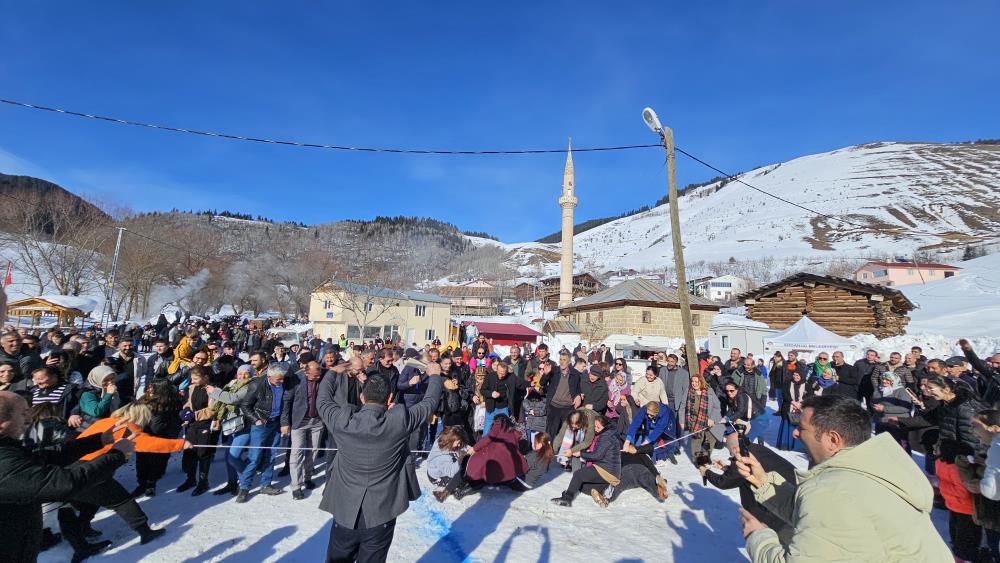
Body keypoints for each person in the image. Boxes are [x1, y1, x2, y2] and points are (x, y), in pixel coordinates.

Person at [737, 394, 952, 562]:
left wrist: (760, 538)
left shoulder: (833, 492)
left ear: (832, 439)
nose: (796, 434)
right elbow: (821, 518)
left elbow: (828, 508)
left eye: (802, 429)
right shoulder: (876, 467)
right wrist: (764, 483)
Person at [316, 359, 442, 563]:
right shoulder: (399, 422)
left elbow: (322, 400)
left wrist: (332, 372)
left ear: (362, 397)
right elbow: (428, 404)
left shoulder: (342, 421)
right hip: (381, 512)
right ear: (390, 397)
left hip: (345, 509)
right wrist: (435, 377)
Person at [0, 390, 136, 563]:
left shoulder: (9, 447)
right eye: (23, 413)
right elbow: (64, 483)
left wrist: (99, 440)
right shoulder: (4, 464)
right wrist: (117, 455)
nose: (29, 418)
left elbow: (49, 456)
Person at [888, 375, 985, 561]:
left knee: (966, 508)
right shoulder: (946, 404)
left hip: (964, 463)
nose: (927, 391)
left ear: (947, 388)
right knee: (954, 504)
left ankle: (966, 551)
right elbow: (929, 419)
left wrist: (967, 458)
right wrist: (902, 422)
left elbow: (975, 438)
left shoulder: (965, 407)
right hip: (950, 459)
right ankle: (958, 548)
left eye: (931, 388)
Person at [701, 428, 797, 545]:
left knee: (781, 544)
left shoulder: (743, 457)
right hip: (790, 496)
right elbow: (743, 474)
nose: (730, 453)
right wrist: (726, 468)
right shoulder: (755, 449)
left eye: (730, 450)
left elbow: (723, 482)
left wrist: (706, 472)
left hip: (776, 511)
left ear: (736, 448)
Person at [235, 363, 290, 502]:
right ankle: (244, 487)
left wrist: (283, 423)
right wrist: (256, 420)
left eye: (283, 378)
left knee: (271, 454)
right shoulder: (257, 385)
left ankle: (266, 484)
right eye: (279, 379)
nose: (282, 381)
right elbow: (245, 405)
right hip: (261, 424)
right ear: (270, 376)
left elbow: (284, 406)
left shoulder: (283, 383)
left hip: (275, 423)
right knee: (254, 456)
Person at [551, 414, 621, 507]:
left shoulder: (606, 436)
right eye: (595, 426)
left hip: (606, 470)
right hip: (609, 470)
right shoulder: (608, 433)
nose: (596, 429)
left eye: (598, 427)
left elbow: (597, 455)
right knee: (582, 487)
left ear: (605, 426)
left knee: (578, 474)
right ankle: (602, 489)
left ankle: (567, 499)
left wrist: (580, 453)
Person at [283, 361, 327, 500]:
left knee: (313, 450)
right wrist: (284, 422)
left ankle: (308, 477)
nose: (317, 378)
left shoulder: (324, 376)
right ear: (306, 372)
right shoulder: (296, 380)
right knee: (297, 452)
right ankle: (296, 485)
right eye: (314, 376)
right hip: (299, 421)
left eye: (318, 375)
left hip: (317, 420)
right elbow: (286, 401)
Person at [177, 366, 219, 496]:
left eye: (196, 378)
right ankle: (190, 479)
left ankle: (203, 481)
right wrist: (185, 410)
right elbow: (189, 403)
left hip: (206, 425)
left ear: (205, 377)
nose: (193, 380)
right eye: (192, 378)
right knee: (190, 451)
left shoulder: (213, 390)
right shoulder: (192, 387)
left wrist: (194, 415)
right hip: (192, 425)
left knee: (203, 453)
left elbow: (213, 410)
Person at [677, 372, 724, 460]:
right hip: (694, 420)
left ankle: (706, 457)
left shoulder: (709, 391)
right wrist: (682, 421)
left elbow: (717, 406)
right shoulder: (688, 391)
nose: (693, 384)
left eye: (696, 382)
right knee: (696, 440)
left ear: (701, 382)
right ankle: (697, 460)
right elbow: (682, 407)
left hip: (709, 420)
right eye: (692, 381)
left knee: (710, 440)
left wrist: (712, 419)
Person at [541, 353, 581, 440]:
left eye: (564, 360)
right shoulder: (554, 370)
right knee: (551, 431)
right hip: (554, 406)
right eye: (560, 359)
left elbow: (578, 388)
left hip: (568, 407)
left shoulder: (575, 374)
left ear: (569, 361)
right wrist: (546, 374)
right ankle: (548, 450)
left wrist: (578, 395)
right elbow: (542, 383)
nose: (562, 362)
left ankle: (563, 452)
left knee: (567, 433)